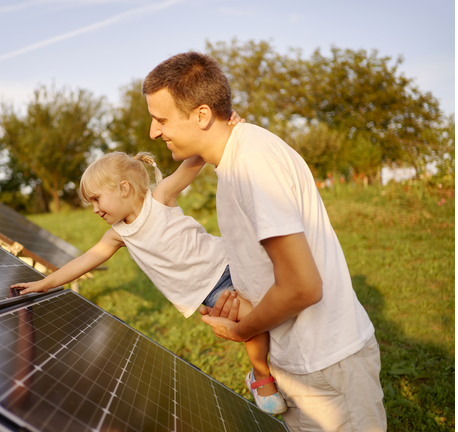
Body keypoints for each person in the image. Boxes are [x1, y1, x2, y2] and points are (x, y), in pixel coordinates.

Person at [142, 51, 386, 431]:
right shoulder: (234, 162)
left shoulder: (252, 164)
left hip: (326, 367)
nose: (153, 132)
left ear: (202, 115)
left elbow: (303, 287)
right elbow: (269, 269)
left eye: (161, 119)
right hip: (297, 361)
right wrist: (244, 303)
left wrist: (242, 330)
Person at [11, 147, 288, 415]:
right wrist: (44, 283)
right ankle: (260, 377)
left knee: (278, 292)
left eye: (96, 199)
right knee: (254, 320)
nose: (94, 209)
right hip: (212, 288)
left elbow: (192, 164)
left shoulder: (160, 198)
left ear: (123, 188)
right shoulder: (118, 235)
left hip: (229, 258)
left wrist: (220, 132)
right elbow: (85, 260)